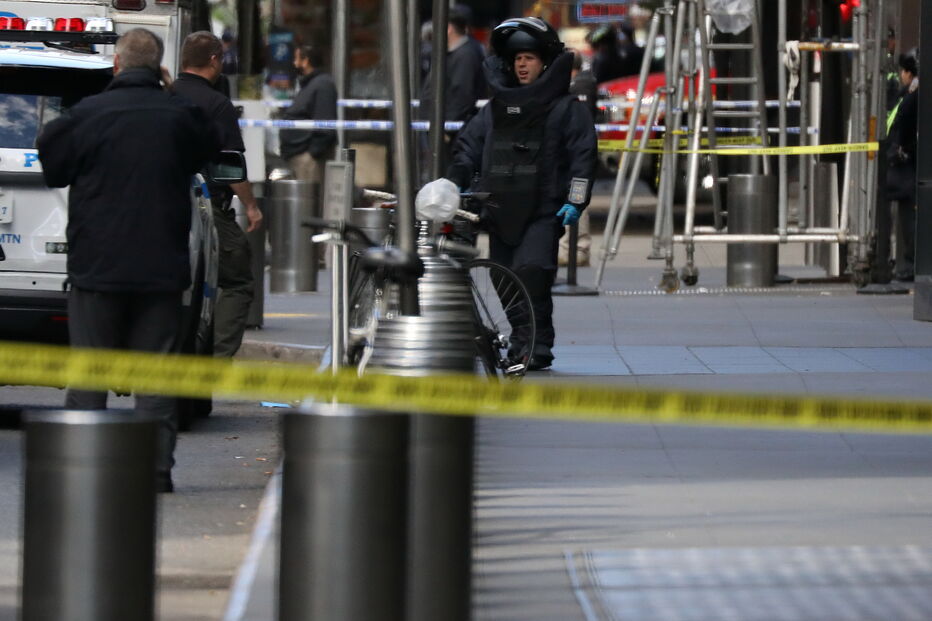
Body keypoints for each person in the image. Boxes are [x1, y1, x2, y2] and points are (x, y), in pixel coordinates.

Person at [36, 28, 219, 493]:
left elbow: (53, 163)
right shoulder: (179, 114)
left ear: (116, 65)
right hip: (159, 270)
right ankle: (154, 473)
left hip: (97, 268)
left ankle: (82, 474)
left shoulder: (89, 114)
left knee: (89, 376)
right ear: (158, 68)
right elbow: (208, 145)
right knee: (155, 379)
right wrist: (170, 90)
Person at [445, 17, 598, 370]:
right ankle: (523, 339)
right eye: (517, 59)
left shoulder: (566, 109)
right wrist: (455, 180)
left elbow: (583, 156)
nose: (522, 65)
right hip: (499, 210)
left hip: (544, 209)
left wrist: (576, 201)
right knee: (502, 275)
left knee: (531, 270)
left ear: (545, 61)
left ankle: (535, 344)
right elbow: (467, 148)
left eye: (529, 57)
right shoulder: (495, 111)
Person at [173, 31, 263, 358]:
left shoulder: (163, 96)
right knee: (238, 281)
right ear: (214, 60)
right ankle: (216, 359)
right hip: (207, 207)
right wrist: (251, 206)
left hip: (160, 205)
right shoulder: (217, 104)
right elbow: (230, 165)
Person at [420, 3, 488, 169]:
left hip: (451, 132)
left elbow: (462, 94)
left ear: (448, 28)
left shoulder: (466, 55)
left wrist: (446, 128)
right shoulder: (452, 53)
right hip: (441, 127)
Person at [280, 43, 338, 215]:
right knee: (302, 208)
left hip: (310, 160)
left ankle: (312, 241)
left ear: (306, 61)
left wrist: (311, 154)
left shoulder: (322, 85)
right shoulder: (311, 84)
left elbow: (326, 124)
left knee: (310, 208)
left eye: (297, 59)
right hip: (301, 157)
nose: (294, 63)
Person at [559, 49, 598, 267]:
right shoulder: (583, 83)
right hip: (574, 155)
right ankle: (572, 249)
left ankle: (577, 250)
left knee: (576, 201)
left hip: (575, 156)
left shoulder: (580, 86)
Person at [885, 49, 919, 282]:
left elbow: (903, 122)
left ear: (908, 72)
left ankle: (909, 264)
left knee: (908, 215)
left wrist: (899, 149)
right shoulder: (908, 92)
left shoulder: (912, 94)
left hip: (907, 162)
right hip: (904, 160)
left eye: (902, 71)